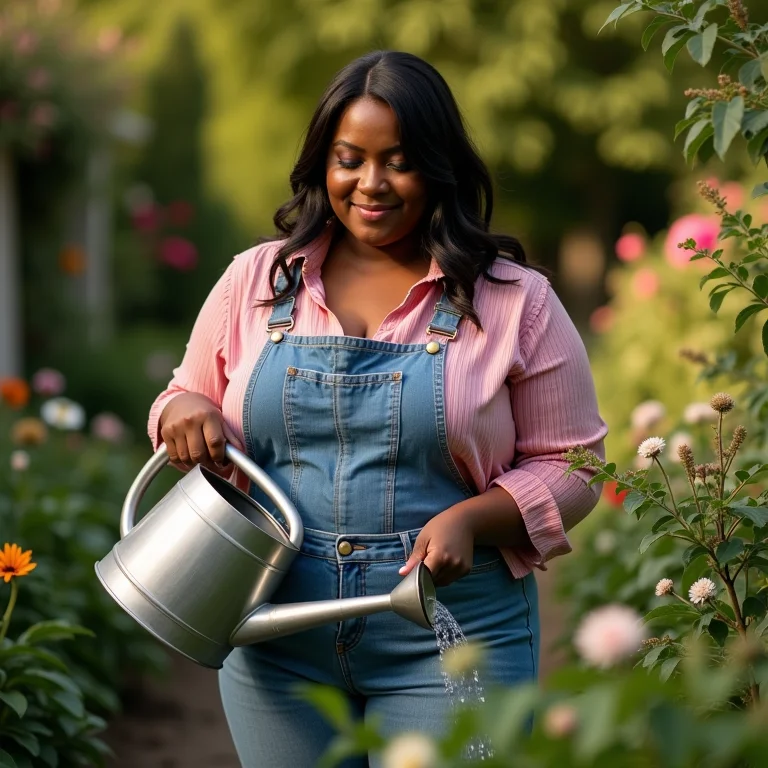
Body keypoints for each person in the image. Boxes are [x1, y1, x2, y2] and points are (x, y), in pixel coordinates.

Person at [148, 50, 607, 767]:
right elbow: (184, 394)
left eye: (398, 160)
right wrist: (183, 411)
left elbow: (576, 465)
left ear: (439, 165)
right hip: (275, 630)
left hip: (449, 632)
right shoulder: (257, 282)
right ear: (320, 164)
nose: (370, 183)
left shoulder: (514, 301)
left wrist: (472, 518)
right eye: (348, 158)